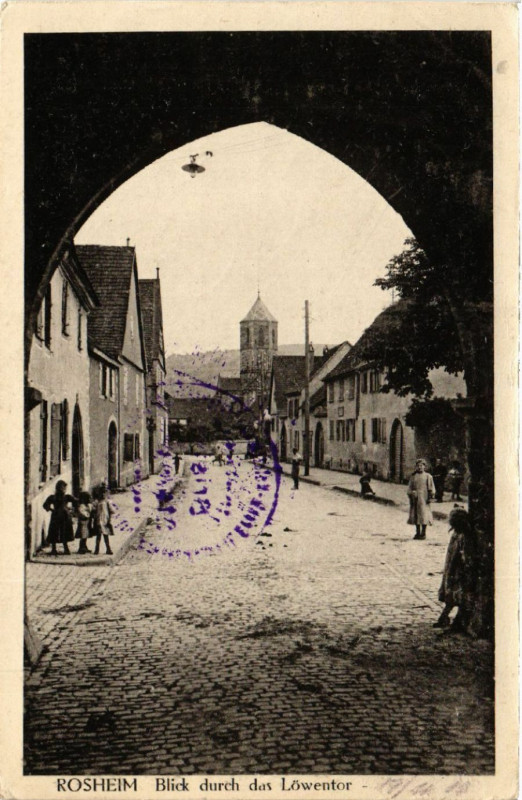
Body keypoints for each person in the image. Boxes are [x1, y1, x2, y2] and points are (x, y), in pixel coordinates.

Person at [434, 505, 476, 633]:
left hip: (458, 570)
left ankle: (452, 619)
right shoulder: (457, 534)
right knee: (451, 595)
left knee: (458, 595)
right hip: (452, 568)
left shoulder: (464, 537)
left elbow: (464, 555)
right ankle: (445, 617)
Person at [43, 480, 76, 555]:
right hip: (60, 516)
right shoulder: (56, 497)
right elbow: (45, 505)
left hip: (60, 516)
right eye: (63, 488)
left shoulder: (64, 497)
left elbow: (75, 501)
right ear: (59, 488)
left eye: (64, 488)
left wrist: (52, 510)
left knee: (61, 531)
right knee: (57, 532)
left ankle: (62, 549)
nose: (64, 490)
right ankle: (58, 549)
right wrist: (51, 509)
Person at [407, 458, 435, 540]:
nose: (419, 467)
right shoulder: (413, 476)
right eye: (418, 466)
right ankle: (417, 532)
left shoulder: (428, 476)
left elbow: (431, 488)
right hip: (415, 499)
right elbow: (409, 488)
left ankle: (423, 533)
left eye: (421, 466)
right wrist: (412, 492)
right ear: (416, 467)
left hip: (424, 499)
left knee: (424, 516)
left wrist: (431, 496)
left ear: (424, 467)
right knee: (416, 516)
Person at [93, 485, 114, 555]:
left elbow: (112, 511)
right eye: (101, 493)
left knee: (106, 536)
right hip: (98, 521)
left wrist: (110, 520)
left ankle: (108, 549)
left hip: (105, 521)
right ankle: (96, 549)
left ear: (106, 494)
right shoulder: (97, 502)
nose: (102, 494)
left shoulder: (107, 502)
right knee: (98, 536)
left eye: (104, 493)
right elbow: (93, 510)